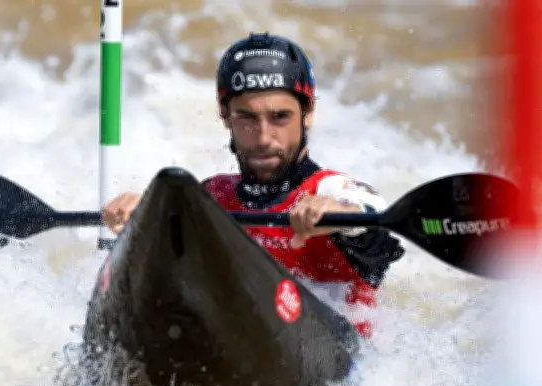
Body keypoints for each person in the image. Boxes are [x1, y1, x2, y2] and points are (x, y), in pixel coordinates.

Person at [101, 32, 405, 340]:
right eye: (246, 118)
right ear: (225, 116)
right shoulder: (212, 197)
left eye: (280, 117)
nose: (263, 138)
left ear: (308, 113)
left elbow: (374, 214)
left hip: (349, 373)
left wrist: (340, 214)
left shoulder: (332, 190)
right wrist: (144, 222)